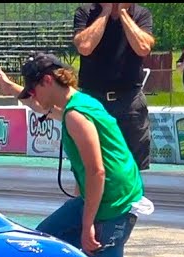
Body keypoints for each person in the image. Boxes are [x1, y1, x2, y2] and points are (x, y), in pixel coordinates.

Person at [0, 53, 184, 257]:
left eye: (33, 90)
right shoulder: (77, 103)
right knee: (44, 243)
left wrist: (87, 224)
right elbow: (45, 109)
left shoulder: (76, 115)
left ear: (47, 81)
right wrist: (14, 91)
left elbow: (96, 172)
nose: (34, 97)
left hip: (113, 198)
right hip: (104, 194)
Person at [72, 3, 154, 171]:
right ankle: (86, 198)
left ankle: (133, 197)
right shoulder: (86, 12)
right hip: (93, 99)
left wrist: (123, 13)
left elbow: (143, 48)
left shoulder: (141, 14)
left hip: (129, 100)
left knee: (134, 165)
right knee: (88, 165)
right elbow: (85, 47)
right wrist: (106, 11)